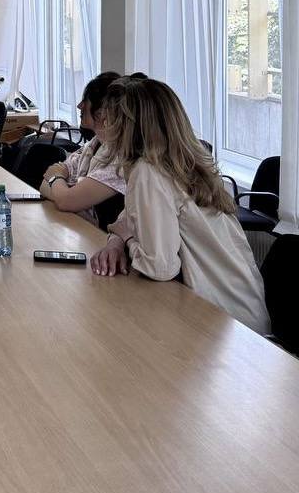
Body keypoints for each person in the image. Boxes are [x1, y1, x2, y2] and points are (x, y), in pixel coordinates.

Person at [89, 78, 270, 335]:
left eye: (111, 120)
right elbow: (132, 216)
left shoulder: (148, 172)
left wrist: (127, 238)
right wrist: (116, 241)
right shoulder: (186, 162)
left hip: (223, 324)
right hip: (246, 313)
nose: (107, 127)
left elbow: (159, 267)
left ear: (128, 126)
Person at [38, 71, 128, 225]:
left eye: (86, 100)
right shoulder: (93, 145)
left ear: (102, 111)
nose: (79, 105)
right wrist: (65, 193)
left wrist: (57, 180)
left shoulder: (120, 160)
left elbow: (65, 200)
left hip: (101, 236)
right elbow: (44, 185)